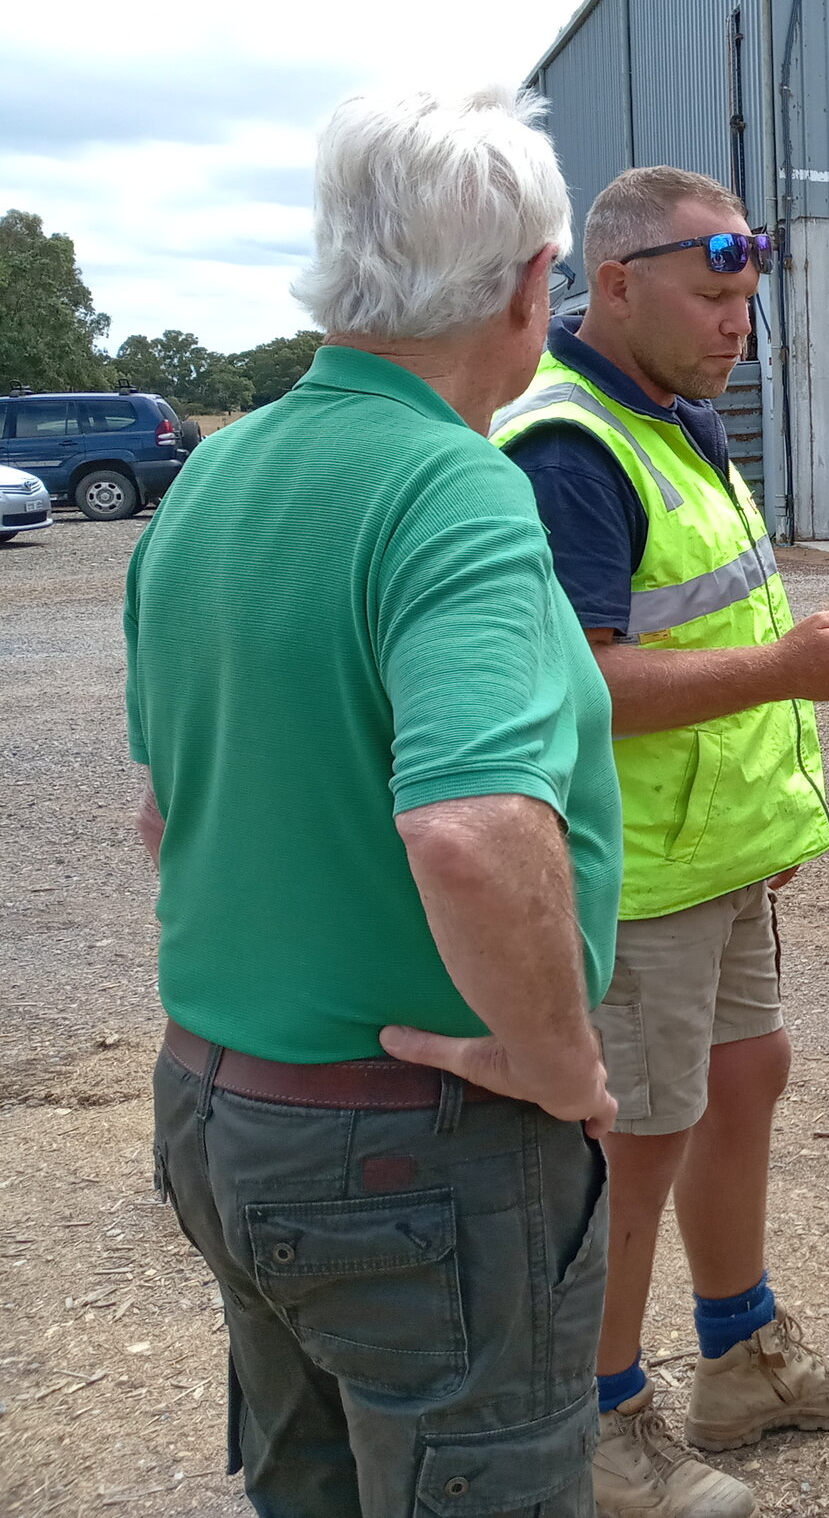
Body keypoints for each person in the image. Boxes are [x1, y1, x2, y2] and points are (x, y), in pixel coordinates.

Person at [133, 86, 622, 1516]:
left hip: (225, 1109)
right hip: (411, 1150)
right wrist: (560, 1064)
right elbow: (468, 826)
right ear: (534, 283)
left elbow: (168, 814)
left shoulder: (214, 474)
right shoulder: (450, 486)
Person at [493, 165, 829, 1518]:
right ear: (613, 283)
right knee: (640, 1136)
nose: (741, 322)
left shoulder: (678, 414)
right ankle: (599, 1418)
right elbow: (585, 682)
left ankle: (740, 1354)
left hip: (716, 853)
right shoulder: (569, 445)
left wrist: (789, 704)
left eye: (747, 297)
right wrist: (793, 671)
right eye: (713, 293)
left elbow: (712, 627)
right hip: (638, 872)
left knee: (747, 1080)